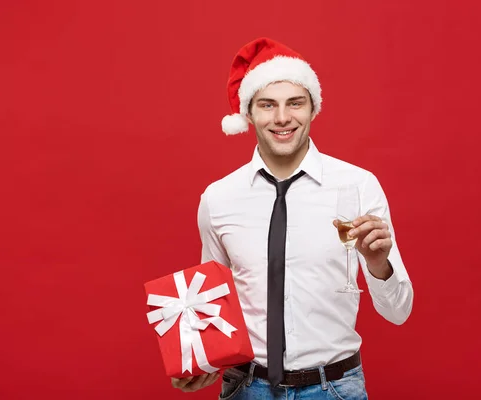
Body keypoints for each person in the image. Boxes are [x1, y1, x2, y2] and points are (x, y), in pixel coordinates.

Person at [172, 37, 414, 399]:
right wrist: (199, 361)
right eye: (267, 105)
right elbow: (211, 298)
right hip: (245, 387)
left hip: (334, 388)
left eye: (295, 103)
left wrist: (379, 264)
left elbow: (399, 311)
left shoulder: (358, 185)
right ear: (249, 113)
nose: (282, 118)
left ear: (313, 109)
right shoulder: (218, 198)